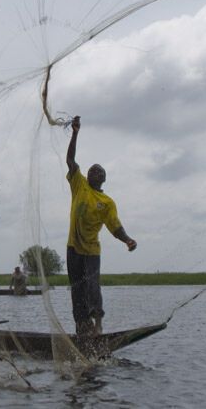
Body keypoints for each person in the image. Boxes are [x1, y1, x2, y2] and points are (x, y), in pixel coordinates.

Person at [65, 115, 136, 336]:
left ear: (103, 179)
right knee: (77, 289)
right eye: (91, 170)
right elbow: (70, 160)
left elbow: (115, 227)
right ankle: (81, 328)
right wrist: (75, 133)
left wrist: (128, 240)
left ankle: (97, 325)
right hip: (73, 248)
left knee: (92, 287)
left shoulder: (107, 202)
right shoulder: (79, 185)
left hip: (91, 250)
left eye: (98, 171)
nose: (94, 172)